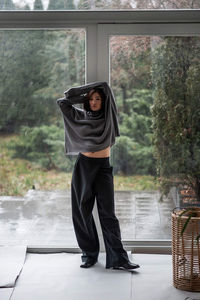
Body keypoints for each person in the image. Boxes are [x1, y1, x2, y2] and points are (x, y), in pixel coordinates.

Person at [57, 81, 140, 270]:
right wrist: (81, 97)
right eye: (91, 99)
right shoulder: (81, 116)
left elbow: (105, 86)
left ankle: (119, 258)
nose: (94, 102)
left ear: (104, 101)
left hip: (103, 167)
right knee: (82, 211)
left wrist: (91, 91)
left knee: (108, 213)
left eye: (97, 99)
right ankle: (89, 254)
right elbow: (63, 102)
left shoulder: (109, 116)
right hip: (84, 167)